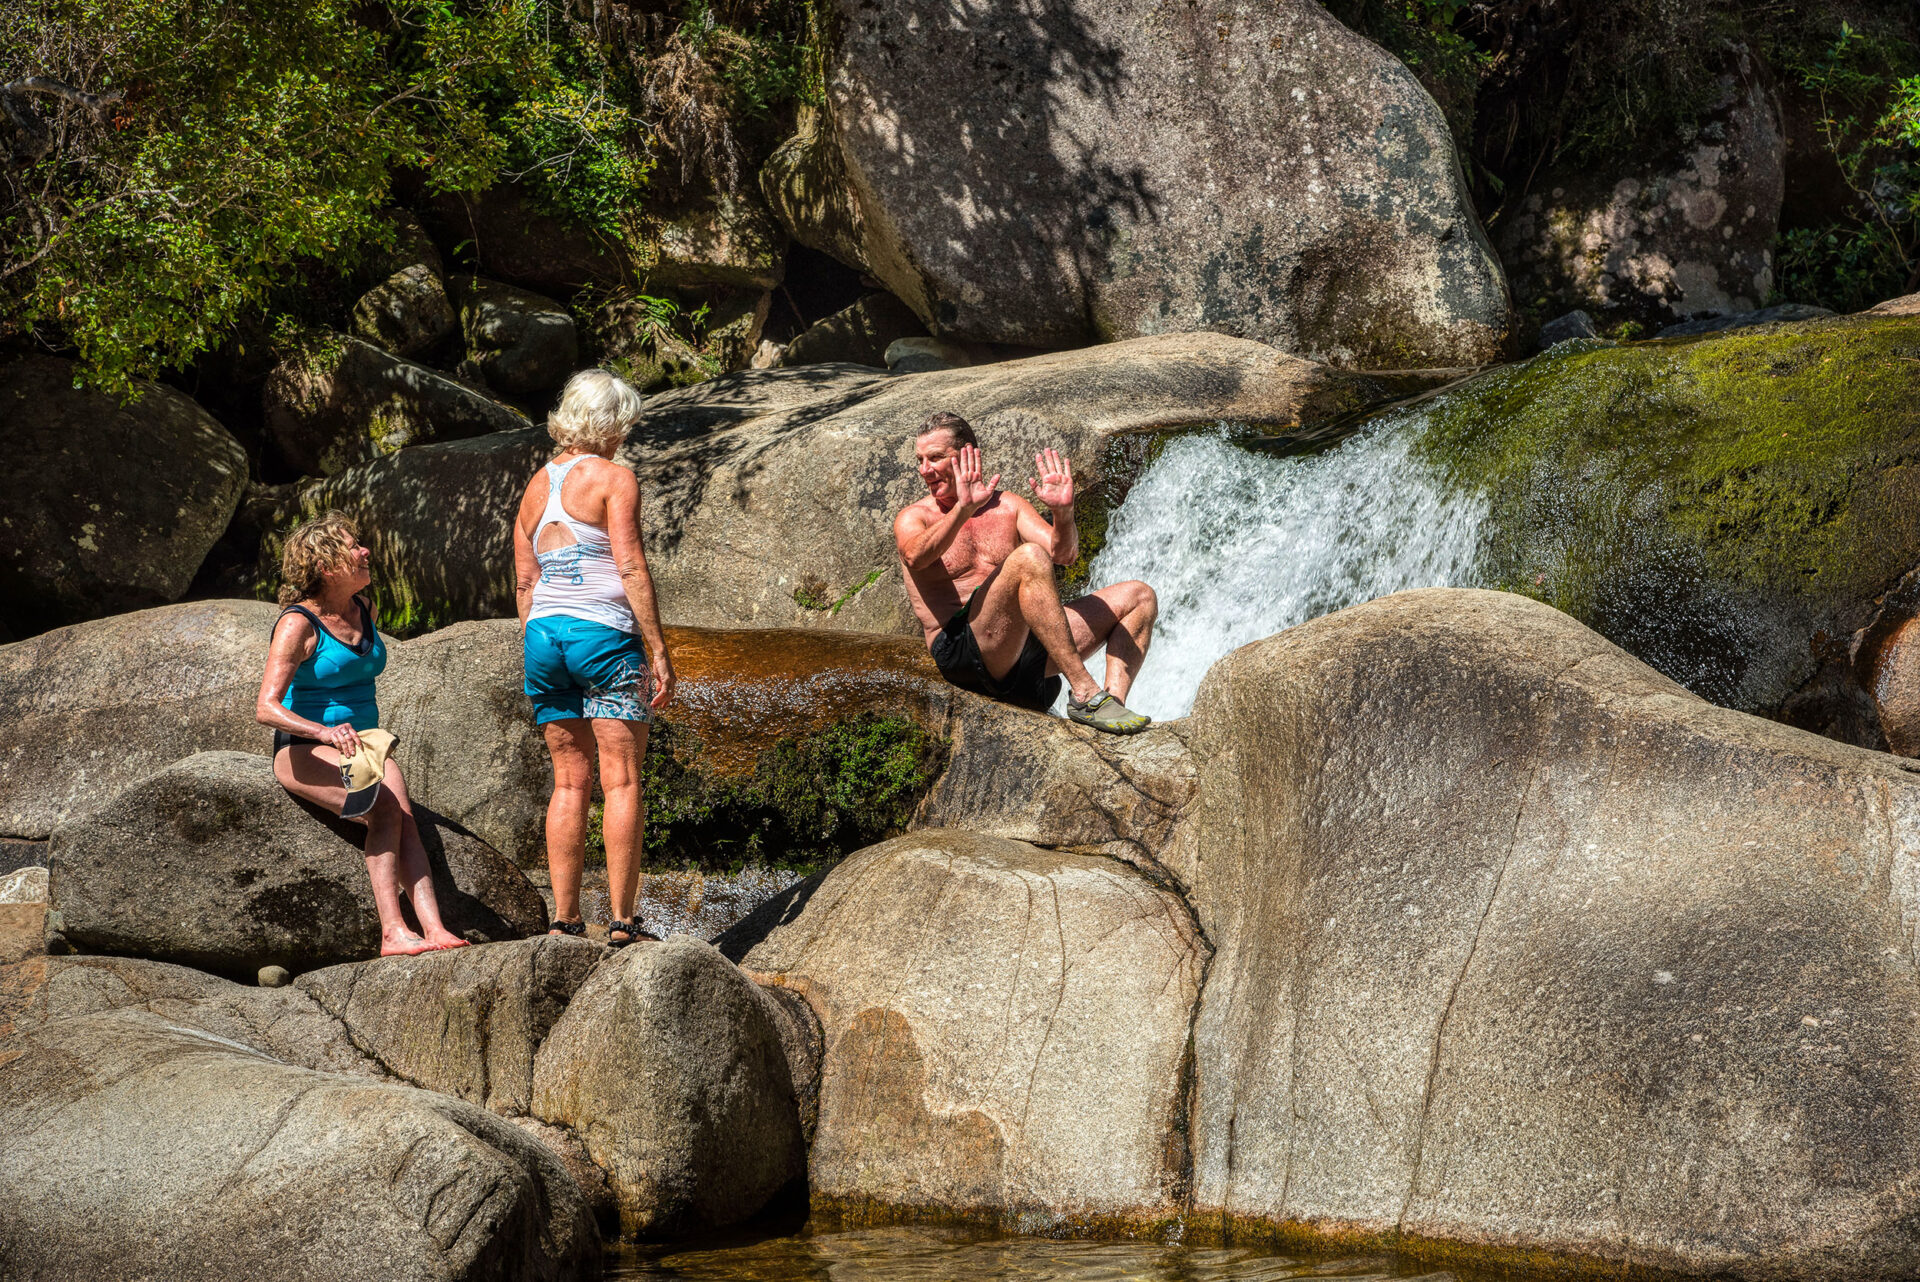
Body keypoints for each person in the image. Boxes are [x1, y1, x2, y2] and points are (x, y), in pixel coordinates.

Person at [255, 512, 469, 957]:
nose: (365, 551)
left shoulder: (365, 609)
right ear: (326, 566)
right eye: (353, 547)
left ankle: (434, 929)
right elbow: (267, 707)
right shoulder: (298, 624)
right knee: (386, 811)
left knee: (406, 821)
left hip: (366, 743)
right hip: (307, 748)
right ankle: (392, 932)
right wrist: (324, 732)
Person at [513, 369, 677, 948]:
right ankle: (623, 923)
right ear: (610, 423)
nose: (625, 435)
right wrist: (657, 648)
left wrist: (536, 641)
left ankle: (563, 919)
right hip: (603, 636)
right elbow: (630, 567)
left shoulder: (537, 485)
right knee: (622, 780)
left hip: (543, 638)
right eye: (624, 424)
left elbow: (526, 580)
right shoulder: (614, 478)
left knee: (568, 783)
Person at [895, 411, 1157, 733]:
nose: (924, 469)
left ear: (967, 456)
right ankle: (1086, 693)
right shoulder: (915, 517)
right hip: (962, 650)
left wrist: (1063, 514)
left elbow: (1064, 554)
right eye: (920, 460)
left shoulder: (1009, 506)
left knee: (1140, 597)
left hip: (1021, 649)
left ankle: (1110, 707)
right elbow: (915, 556)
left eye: (935, 458)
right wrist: (963, 509)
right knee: (1029, 557)